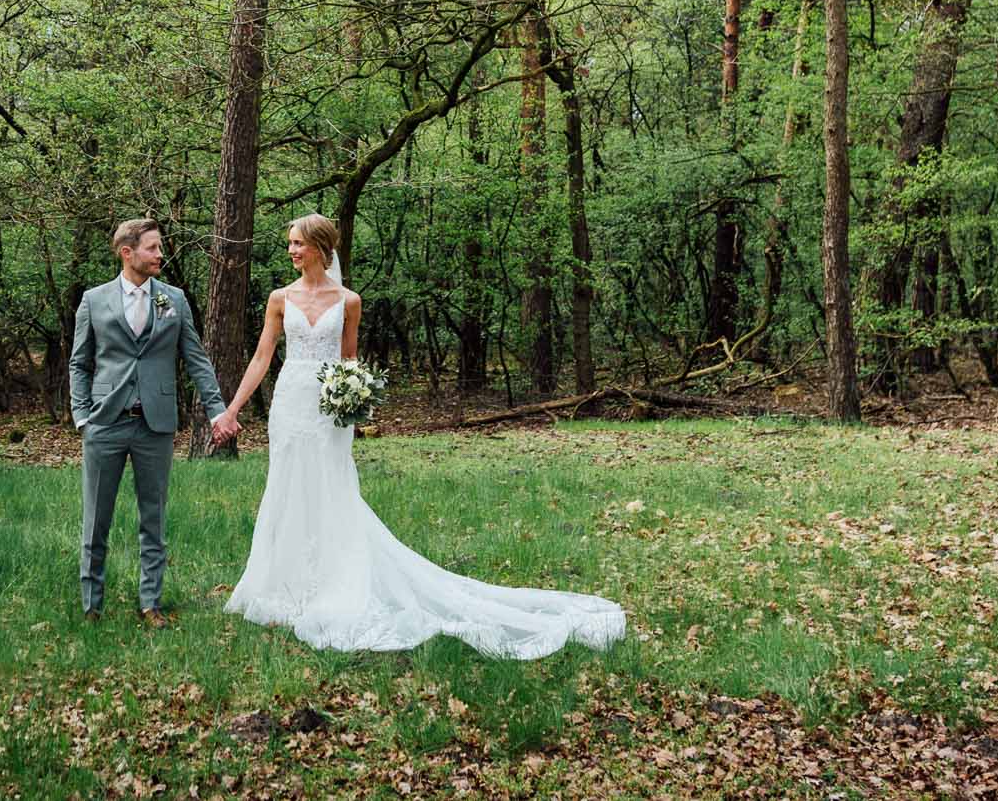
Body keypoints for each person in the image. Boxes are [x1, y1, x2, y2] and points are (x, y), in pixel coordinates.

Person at [220, 214, 626, 658]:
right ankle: (283, 586)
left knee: (331, 489)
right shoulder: (280, 298)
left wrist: (352, 400)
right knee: (287, 487)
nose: (292, 251)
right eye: (290, 245)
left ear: (319, 247)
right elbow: (262, 357)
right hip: (291, 404)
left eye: (298, 243)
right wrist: (233, 409)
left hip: (329, 412)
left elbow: (350, 359)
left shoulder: (348, 301)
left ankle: (333, 584)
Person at [68, 218, 234, 625]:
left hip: (155, 426)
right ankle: (92, 605)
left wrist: (217, 409)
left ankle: (150, 603)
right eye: (153, 248)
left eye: (160, 248)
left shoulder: (174, 299)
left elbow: (196, 358)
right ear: (128, 253)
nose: (161, 254)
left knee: (153, 517)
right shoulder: (94, 300)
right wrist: (81, 417)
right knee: (96, 519)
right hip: (104, 423)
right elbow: (79, 362)